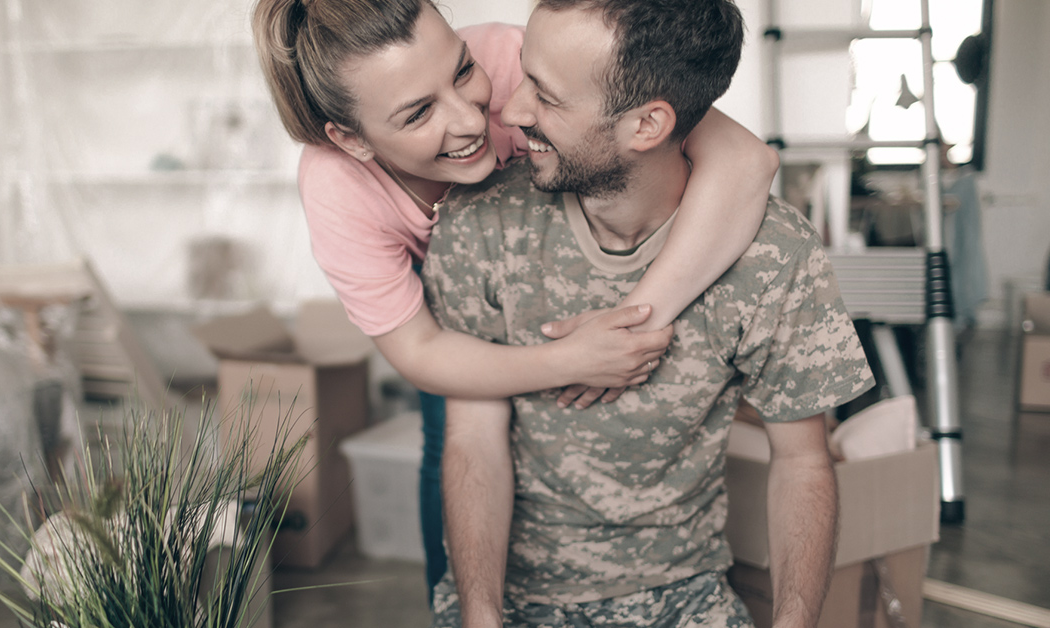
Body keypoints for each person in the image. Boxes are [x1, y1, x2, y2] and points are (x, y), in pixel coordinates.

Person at [252, 0, 779, 597]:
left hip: (593, 287)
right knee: (455, 442)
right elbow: (421, 348)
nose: (473, 121)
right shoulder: (338, 192)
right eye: (419, 113)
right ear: (351, 139)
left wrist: (634, 321)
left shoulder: (511, 58)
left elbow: (745, 158)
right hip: (462, 320)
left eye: (460, 71)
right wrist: (567, 361)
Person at [420, 0, 876, 626]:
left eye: (547, 97)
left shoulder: (775, 255)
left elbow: (801, 462)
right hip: (513, 596)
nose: (512, 110)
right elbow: (472, 437)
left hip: (684, 594)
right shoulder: (480, 222)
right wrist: (481, 614)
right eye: (522, 75)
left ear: (647, 125)